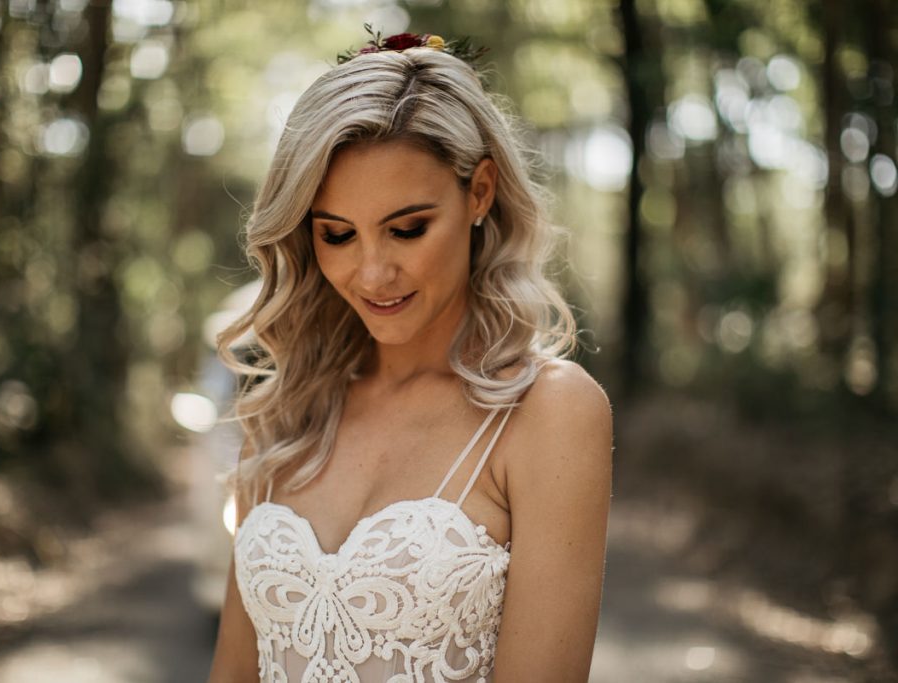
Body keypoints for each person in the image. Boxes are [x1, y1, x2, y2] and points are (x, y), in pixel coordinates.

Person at [207, 28, 612, 683]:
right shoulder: (289, 407)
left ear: (479, 192)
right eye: (337, 235)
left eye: (407, 229)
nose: (372, 273)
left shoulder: (549, 411)